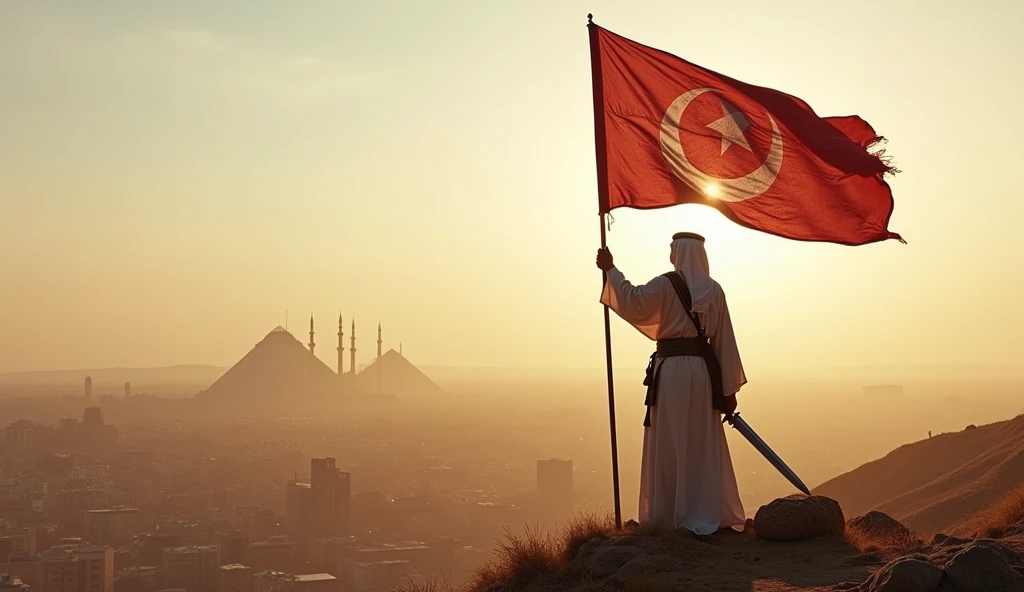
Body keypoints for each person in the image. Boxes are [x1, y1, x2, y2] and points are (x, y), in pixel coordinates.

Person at [596, 232, 747, 535]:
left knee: (670, 441)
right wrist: (728, 391)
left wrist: (611, 270)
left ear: (677, 254)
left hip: (670, 376)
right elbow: (724, 341)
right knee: (699, 441)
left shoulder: (665, 285)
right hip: (702, 376)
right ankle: (703, 511)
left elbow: (632, 300)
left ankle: (669, 514)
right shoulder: (715, 292)